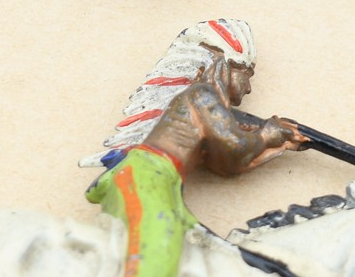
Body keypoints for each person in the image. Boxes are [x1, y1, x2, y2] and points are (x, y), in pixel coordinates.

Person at [83, 20, 297, 277]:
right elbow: (235, 147)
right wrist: (268, 135)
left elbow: (229, 159)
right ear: (225, 66)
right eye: (246, 75)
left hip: (162, 179)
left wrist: (276, 140)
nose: (248, 88)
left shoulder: (201, 99)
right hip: (146, 176)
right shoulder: (203, 94)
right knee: (158, 249)